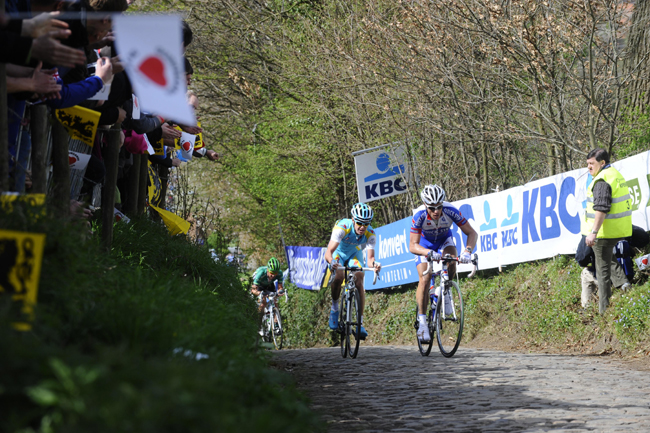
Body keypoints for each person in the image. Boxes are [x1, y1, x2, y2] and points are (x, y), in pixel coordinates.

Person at [410, 184, 478, 343]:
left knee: (451, 259)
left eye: (439, 207)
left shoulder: (450, 210)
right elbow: (412, 245)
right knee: (425, 279)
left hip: (443, 240)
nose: (436, 211)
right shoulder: (419, 215)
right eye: (432, 208)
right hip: (425, 246)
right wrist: (428, 253)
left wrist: (467, 251)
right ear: (426, 205)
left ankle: (445, 290)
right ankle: (422, 323)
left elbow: (471, 232)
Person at [582, 148, 632, 314]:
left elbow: (602, 208)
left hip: (604, 232)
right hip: (617, 229)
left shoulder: (602, 180)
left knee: (602, 272)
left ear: (602, 163)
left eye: (592, 164)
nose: (588, 167)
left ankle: (604, 312)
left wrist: (593, 232)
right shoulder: (614, 174)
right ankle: (624, 284)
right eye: (587, 164)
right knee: (607, 259)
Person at [324, 202, 381, 340]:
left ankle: (360, 323)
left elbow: (370, 259)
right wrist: (332, 262)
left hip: (354, 254)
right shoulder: (342, 227)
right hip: (338, 253)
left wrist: (374, 264)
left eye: (366, 223)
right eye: (360, 223)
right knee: (338, 277)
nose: (362, 227)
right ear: (353, 219)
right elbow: (328, 252)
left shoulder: (370, 233)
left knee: (360, 279)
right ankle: (335, 308)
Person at [576, 225, 648, 309]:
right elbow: (644, 239)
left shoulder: (591, 233)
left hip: (607, 278)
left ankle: (587, 307)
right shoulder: (623, 226)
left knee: (586, 272)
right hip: (627, 273)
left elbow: (581, 259)